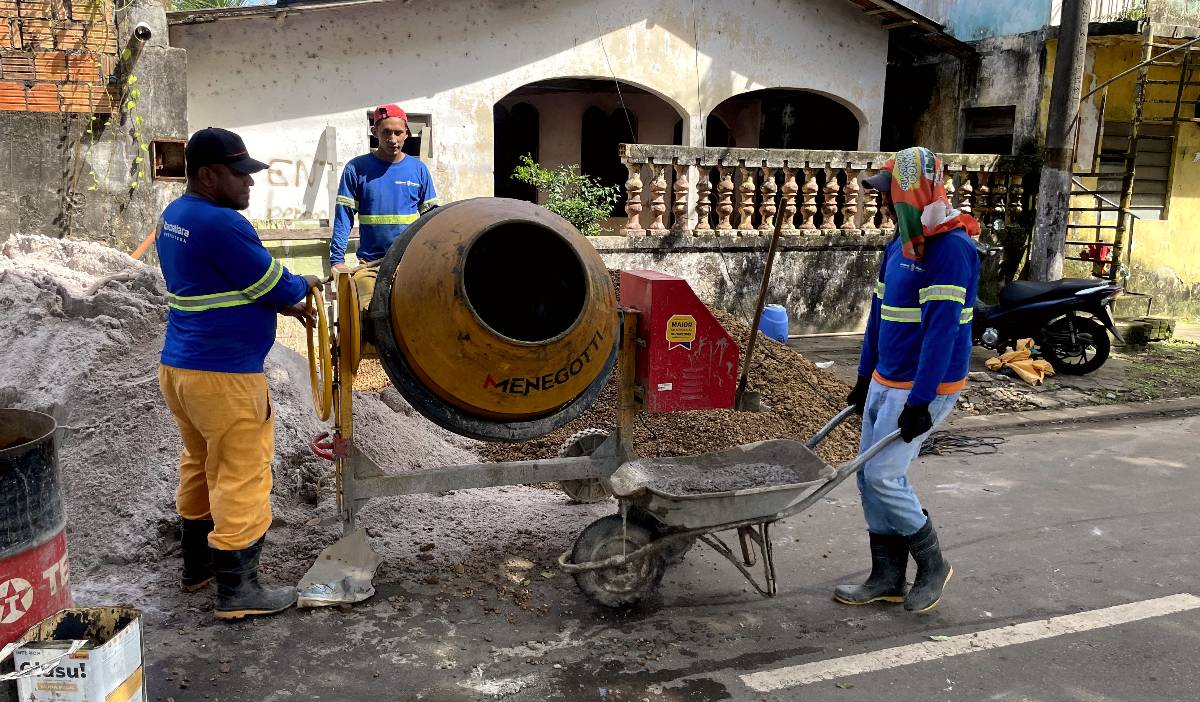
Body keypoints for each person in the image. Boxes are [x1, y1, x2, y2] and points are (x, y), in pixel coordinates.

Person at [156, 127, 321, 620]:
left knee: (200, 462)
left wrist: (282, 303)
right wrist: (302, 286)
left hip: (181, 369)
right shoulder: (222, 224)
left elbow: (226, 282)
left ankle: (198, 568)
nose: (249, 184)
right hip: (225, 376)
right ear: (207, 175)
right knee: (241, 473)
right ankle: (239, 591)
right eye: (239, 174)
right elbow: (270, 280)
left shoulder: (175, 216)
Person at [835, 146, 981, 613]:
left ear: (911, 193)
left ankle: (933, 564)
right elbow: (879, 316)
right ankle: (887, 576)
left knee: (883, 475)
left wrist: (920, 401)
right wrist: (863, 378)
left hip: (925, 387)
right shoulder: (899, 242)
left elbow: (941, 333)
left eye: (888, 194)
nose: (881, 203)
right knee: (868, 480)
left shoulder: (952, 249)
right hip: (885, 378)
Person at [329, 104, 439, 306]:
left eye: (398, 132)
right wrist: (337, 261)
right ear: (374, 132)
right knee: (367, 312)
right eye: (386, 132)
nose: (393, 139)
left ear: (407, 133)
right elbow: (343, 217)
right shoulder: (356, 169)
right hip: (370, 266)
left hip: (408, 262)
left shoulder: (419, 170)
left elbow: (432, 218)